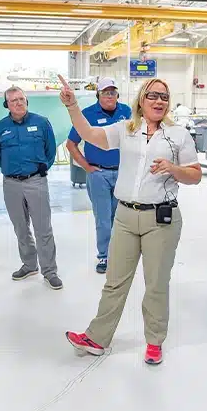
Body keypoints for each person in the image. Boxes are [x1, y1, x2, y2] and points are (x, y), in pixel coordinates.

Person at [58, 74, 202, 365]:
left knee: (156, 284)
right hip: (125, 216)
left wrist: (174, 169)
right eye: (153, 95)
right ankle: (97, 338)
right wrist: (72, 106)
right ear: (141, 100)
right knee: (114, 282)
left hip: (161, 220)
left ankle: (154, 341)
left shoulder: (178, 135)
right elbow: (88, 135)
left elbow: (195, 175)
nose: (159, 101)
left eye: (164, 97)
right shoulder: (126, 129)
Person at [0, 86, 63, 290]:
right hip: (11, 184)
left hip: (36, 181)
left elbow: (50, 150)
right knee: (20, 227)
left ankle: (50, 271)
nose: (18, 103)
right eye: (13, 100)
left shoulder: (41, 123)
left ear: (27, 101)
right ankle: (30, 264)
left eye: (21, 99)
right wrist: (11, 169)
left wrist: (41, 168)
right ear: (7, 105)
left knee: (43, 228)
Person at [65, 78, 131, 274]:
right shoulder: (87, 114)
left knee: (122, 217)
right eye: (105, 92)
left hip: (122, 173)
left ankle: (120, 255)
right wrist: (86, 166)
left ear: (117, 95)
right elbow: (71, 144)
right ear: (98, 95)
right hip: (98, 174)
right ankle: (104, 255)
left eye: (112, 92)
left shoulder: (127, 112)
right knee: (103, 218)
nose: (109, 96)